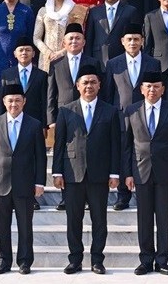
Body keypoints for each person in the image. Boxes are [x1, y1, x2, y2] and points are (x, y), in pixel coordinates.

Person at [52, 67, 121, 275]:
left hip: (100, 174)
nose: (89, 86)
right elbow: (59, 144)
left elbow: (115, 144)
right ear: (78, 85)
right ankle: (75, 259)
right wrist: (57, 172)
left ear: (99, 85)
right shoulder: (66, 110)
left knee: (100, 220)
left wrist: (114, 173)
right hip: (73, 173)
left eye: (93, 82)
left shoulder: (110, 111)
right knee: (74, 220)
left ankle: (97, 260)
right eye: (85, 82)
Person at [121, 71, 168, 276]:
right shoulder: (131, 110)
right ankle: (146, 260)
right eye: (148, 86)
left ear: (163, 89)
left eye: (156, 86)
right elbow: (127, 146)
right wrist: (128, 173)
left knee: (164, 217)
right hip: (140, 170)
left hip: (166, 171)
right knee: (144, 218)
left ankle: (162, 261)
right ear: (141, 89)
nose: (152, 90)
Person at [0, 83, 47, 275]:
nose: (14, 104)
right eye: (10, 100)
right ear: (4, 102)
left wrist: (39, 182)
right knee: (0, 226)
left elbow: (40, 157)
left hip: (25, 183)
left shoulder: (34, 124)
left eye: (18, 100)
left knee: (25, 226)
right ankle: (3, 261)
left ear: (24, 102)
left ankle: (25, 261)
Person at [101, 22, 160, 211]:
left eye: (136, 39)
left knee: (141, 152)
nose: (133, 43)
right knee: (121, 153)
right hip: (120, 116)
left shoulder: (153, 63)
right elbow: (109, 93)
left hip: (145, 115)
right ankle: (122, 195)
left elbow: (157, 91)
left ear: (142, 41)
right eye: (129, 39)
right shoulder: (113, 63)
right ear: (122, 41)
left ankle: (145, 193)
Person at [85, 0, 140, 64]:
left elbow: (135, 37)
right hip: (98, 60)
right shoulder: (94, 12)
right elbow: (89, 39)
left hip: (122, 61)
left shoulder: (130, 11)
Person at [1, 37, 50, 140]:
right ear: (15, 53)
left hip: (35, 122)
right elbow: (2, 100)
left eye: (28, 50)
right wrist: (1, 123)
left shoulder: (42, 75)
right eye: (21, 50)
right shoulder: (7, 74)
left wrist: (44, 125)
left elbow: (45, 101)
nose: (24, 53)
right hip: (12, 121)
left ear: (33, 53)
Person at [34, 0, 79, 71]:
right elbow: (36, 38)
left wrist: (61, 53)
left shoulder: (74, 10)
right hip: (46, 58)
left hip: (67, 55)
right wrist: (49, 53)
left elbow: (78, 36)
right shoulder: (43, 11)